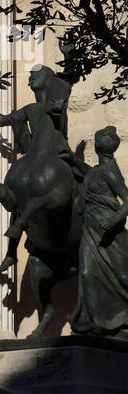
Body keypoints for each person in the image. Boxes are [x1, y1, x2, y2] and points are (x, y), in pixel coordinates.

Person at [70, 125, 128, 338]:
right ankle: (93, 323)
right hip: (90, 229)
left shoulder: (111, 171)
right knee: (85, 273)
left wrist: (113, 220)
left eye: (100, 142)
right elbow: (85, 172)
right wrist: (72, 158)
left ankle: (118, 321)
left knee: (122, 275)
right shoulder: (94, 171)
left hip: (109, 232)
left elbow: (127, 201)